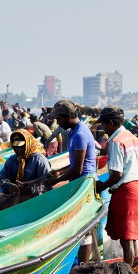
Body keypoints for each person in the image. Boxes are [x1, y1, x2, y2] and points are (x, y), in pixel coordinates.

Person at [44, 100, 99, 262]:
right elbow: (74, 163)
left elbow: (78, 170)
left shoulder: (80, 134)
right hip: (78, 182)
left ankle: (84, 263)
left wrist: (55, 181)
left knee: (84, 227)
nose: (58, 123)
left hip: (84, 183)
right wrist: (58, 172)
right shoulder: (75, 131)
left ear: (68, 116)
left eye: (59, 119)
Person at [94, 106, 138, 264]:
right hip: (136, 189)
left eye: (104, 124)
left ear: (111, 123)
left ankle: (128, 273)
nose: (103, 128)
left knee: (126, 239)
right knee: (132, 236)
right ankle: (134, 270)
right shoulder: (135, 139)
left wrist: (101, 186)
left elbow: (116, 174)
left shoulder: (116, 141)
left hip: (124, 192)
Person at [0, 130, 52, 217]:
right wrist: (8, 186)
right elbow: (2, 178)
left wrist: (30, 187)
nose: (18, 149)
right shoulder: (12, 160)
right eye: (15, 146)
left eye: (21, 146)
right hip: (13, 197)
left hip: (34, 199)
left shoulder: (40, 160)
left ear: (28, 143)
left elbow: (47, 184)